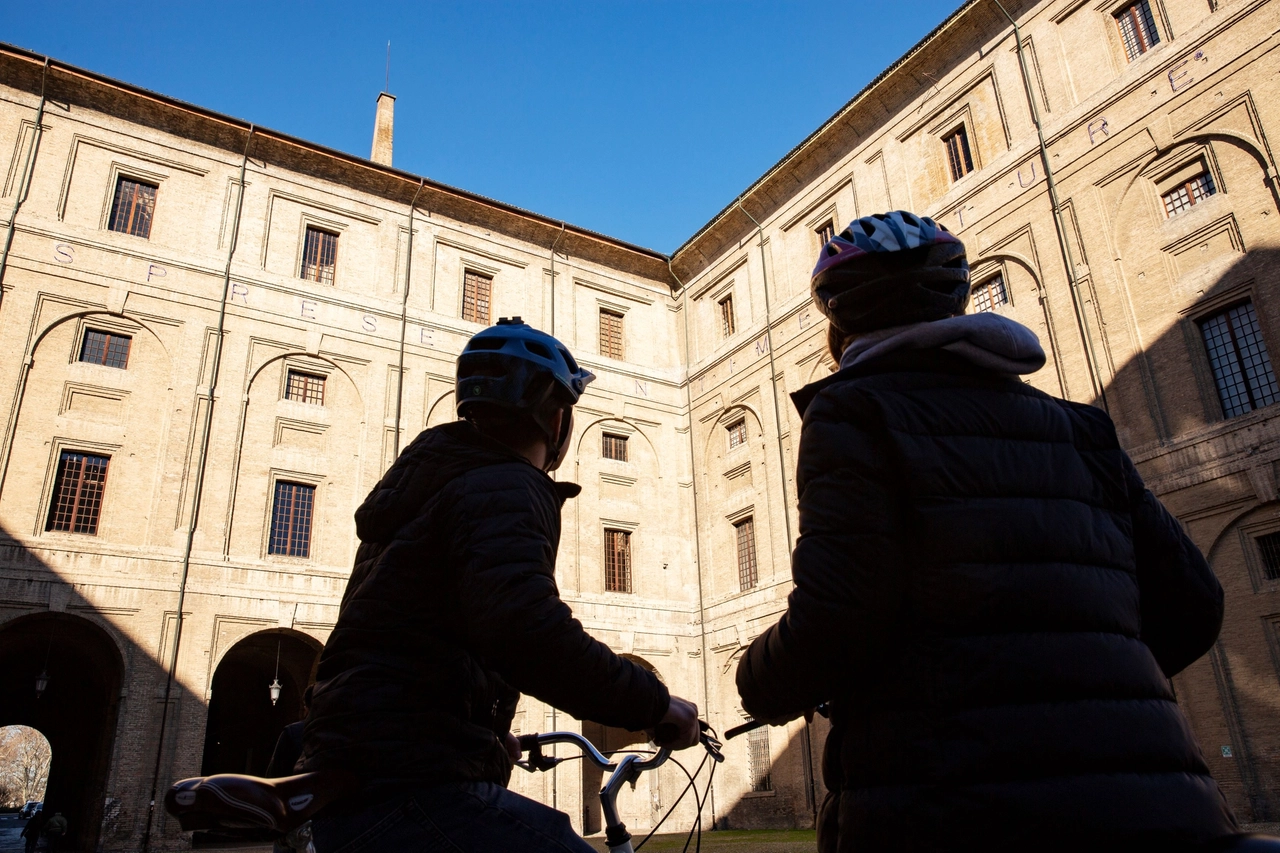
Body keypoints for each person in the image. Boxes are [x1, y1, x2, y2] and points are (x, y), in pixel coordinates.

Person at [735, 212, 1239, 851]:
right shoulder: (1082, 428)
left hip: (949, 806)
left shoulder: (851, 410)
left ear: (839, 324)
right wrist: (1080, 689)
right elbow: (1196, 603)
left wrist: (757, 681)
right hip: (1160, 808)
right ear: (959, 301)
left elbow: (839, 616)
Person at [299, 317, 700, 852]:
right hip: (406, 781)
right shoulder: (505, 483)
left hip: (359, 765)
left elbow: (404, 645)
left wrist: (481, 738)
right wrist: (653, 704)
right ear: (557, 419)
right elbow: (526, 630)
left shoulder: (422, 492)